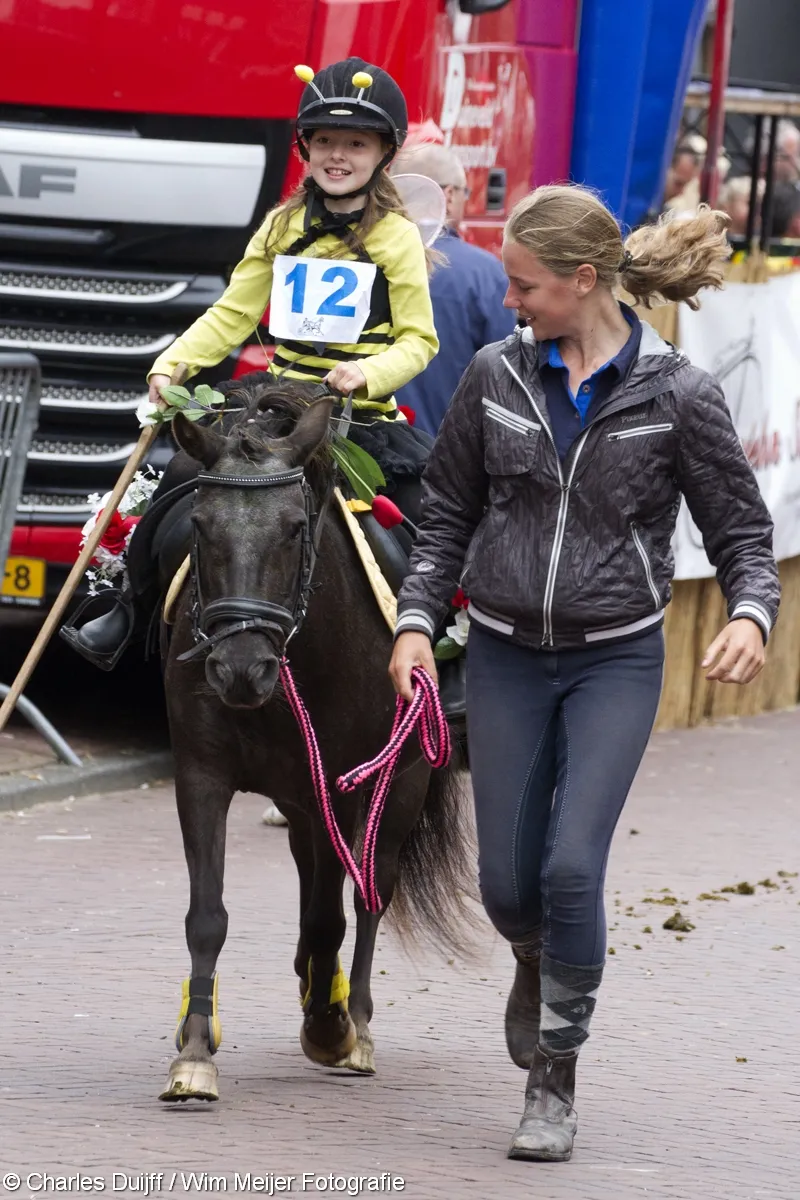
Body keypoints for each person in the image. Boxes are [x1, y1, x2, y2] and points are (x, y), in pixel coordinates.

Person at [389, 184, 780, 1163]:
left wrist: (750, 612)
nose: (507, 300)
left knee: (570, 867)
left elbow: (740, 532)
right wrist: (411, 623)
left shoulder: (676, 394)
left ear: (579, 280)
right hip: (507, 652)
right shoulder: (493, 378)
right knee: (509, 887)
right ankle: (535, 958)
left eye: (522, 285)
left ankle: (551, 1080)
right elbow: (441, 519)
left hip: (615, 657)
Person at [61, 57, 438, 671]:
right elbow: (233, 314)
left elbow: (420, 342)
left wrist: (367, 373)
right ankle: (126, 610)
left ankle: (445, 654)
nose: (337, 155)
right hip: (276, 405)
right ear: (305, 148)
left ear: (383, 154)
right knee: (177, 484)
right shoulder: (281, 225)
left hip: (360, 415)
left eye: (355, 144)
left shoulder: (396, 235)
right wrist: (173, 364)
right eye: (323, 142)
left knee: (427, 519)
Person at [391, 143, 516, 435]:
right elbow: (506, 382)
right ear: (447, 195)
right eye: (465, 193)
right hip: (450, 460)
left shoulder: (364, 260)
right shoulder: (486, 274)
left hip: (365, 458)